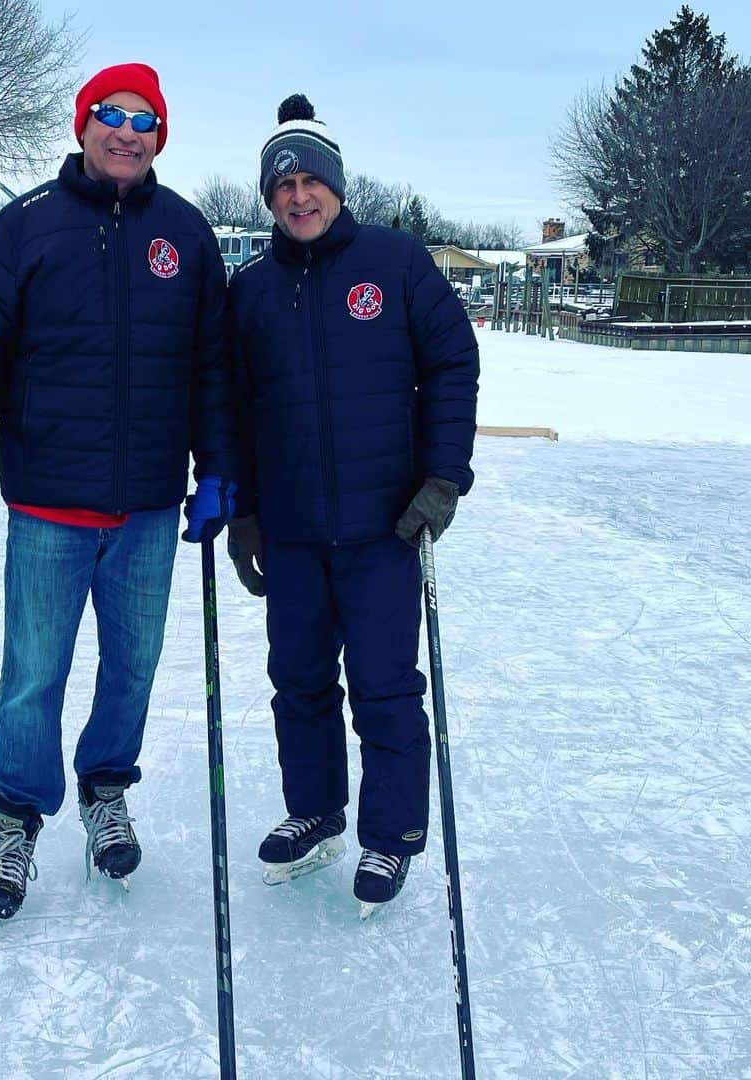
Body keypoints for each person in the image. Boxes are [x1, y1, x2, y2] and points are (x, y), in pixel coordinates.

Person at [0, 63, 237, 924]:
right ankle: (17, 818)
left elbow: (213, 368)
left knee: (133, 668)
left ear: (160, 137)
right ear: (84, 123)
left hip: (145, 507)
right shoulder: (28, 226)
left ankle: (106, 789)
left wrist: (218, 469)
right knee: (34, 672)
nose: (127, 131)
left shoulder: (187, 232)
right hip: (48, 506)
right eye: (112, 114)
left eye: (145, 119)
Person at [226, 94, 479, 915]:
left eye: (311, 181)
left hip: (383, 525)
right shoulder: (252, 290)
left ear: (337, 186)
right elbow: (231, 405)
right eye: (283, 185)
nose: (299, 196)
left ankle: (392, 835)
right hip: (294, 531)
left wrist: (442, 477)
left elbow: (452, 364)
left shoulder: (395, 263)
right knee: (298, 681)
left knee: (383, 686)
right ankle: (315, 811)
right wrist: (246, 512)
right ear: (269, 198)